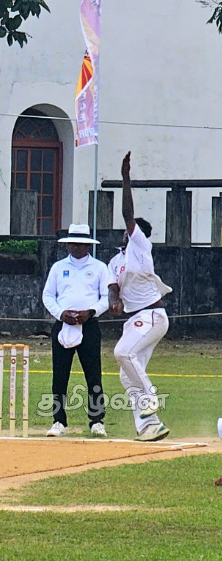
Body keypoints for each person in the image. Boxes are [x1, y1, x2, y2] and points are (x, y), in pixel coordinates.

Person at [108, 151, 172, 442]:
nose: (126, 234)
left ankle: (150, 399)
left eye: (131, 231)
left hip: (151, 316)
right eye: (127, 232)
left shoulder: (141, 247)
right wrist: (114, 300)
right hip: (134, 319)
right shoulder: (116, 260)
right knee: (125, 373)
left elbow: (127, 214)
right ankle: (150, 425)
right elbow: (113, 285)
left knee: (123, 353)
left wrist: (125, 178)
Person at [41, 223, 111, 437]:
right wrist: (61, 314)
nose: (75, 248)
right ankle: (58, 421)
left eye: (80, 244)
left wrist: (90, 312)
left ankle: (97, 421)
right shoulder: (58, 267)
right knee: (60, 376)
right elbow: (48, 296)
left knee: (93, 375)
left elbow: (107, 297)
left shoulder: (99, 267)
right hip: (64, 324)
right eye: (72, 244)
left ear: (87, 245)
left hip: (88, 325)